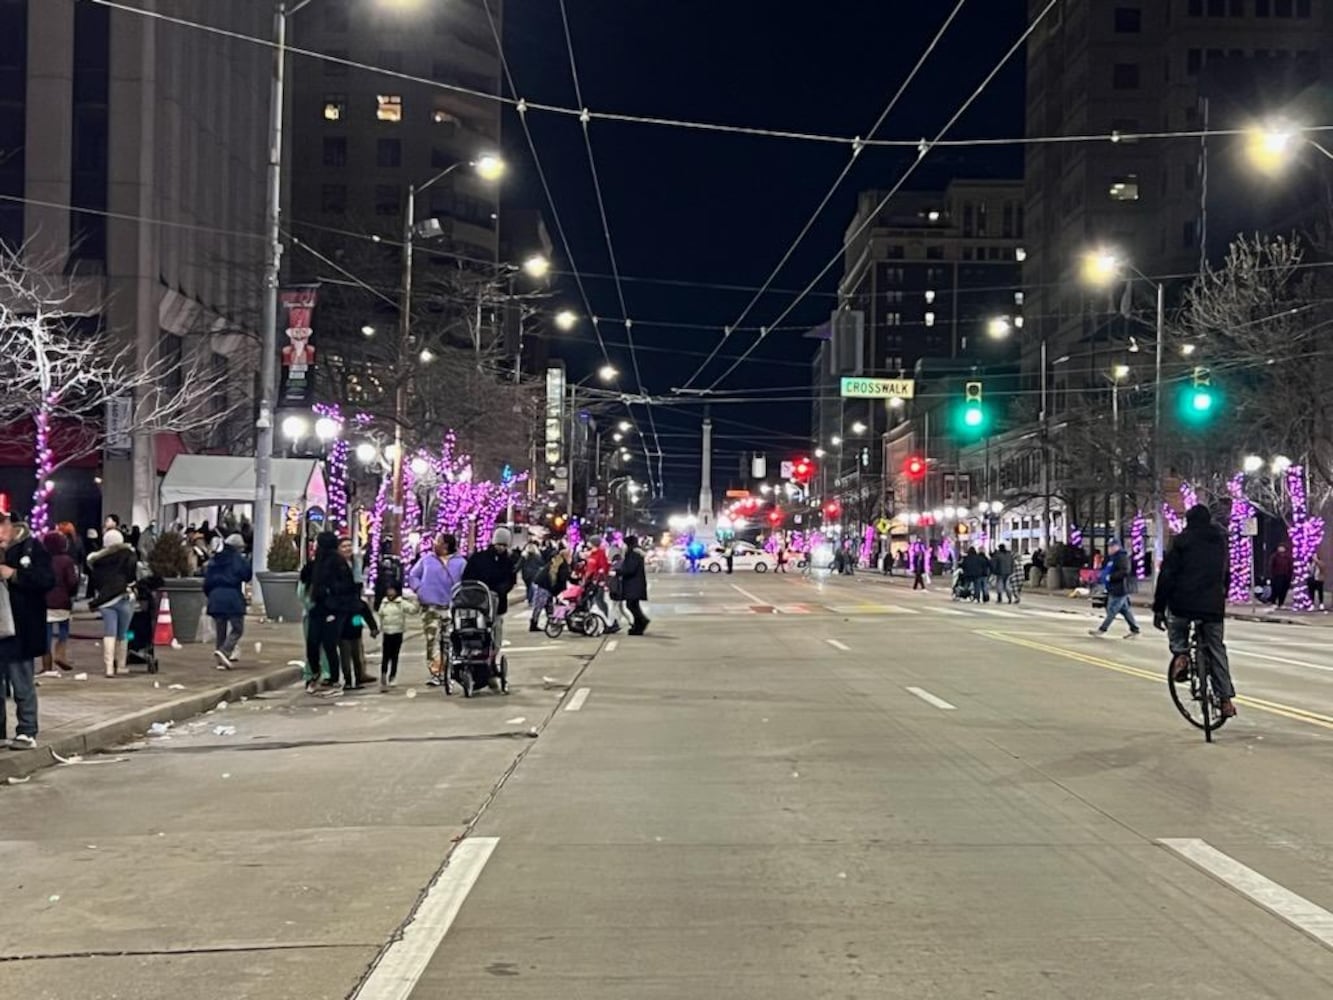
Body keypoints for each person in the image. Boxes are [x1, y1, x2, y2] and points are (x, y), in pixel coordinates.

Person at [1153, 503, 1236, 718]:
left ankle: (1181, 655)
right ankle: (1226, 700)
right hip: (1212, 605)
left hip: (1183, 602)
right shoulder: (1219, 542)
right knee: (1217, 650)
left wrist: (1159, 608)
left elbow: (1167, 576)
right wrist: (1221, 594)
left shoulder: (1181, 541)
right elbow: (1226, 573)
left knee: (1176, 623)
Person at [0, 515, 55, 750]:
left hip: (20, 629)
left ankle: (27, 730)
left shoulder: (32, 548)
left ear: (10, 526)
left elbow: (47, 580)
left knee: (21, 681)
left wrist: (14, 575)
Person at [407, 533, 466, 685]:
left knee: (449, 640)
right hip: (430, 606)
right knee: (431, 640)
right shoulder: (427, 560)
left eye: (438, 541)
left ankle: (447, 670)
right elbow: (413, 575)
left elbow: (465, 582)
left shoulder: (460, 563)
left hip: (451, 606)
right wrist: (419, 589)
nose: (434, 543)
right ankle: (435, 672)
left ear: (446, 545)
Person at [462, 528, 518, 685]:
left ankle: (491, 661)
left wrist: (502, 589)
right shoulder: (479, 558)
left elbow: (511, 580)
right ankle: (476, 665)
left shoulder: (508, 562)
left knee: (495, 636)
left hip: (497, 605)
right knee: (477, 635)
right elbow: (467, 578)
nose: (501, 548)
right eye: (499, 544)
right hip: (478, 604)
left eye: (504, 545)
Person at [310, 535, 363, 691]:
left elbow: (346, 586)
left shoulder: (338, 563)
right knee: (317, 643)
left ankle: (337, 676)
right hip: (321, 607)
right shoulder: (318, 562)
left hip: (336, 609)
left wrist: (330, 595)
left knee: (332, 644)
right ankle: (318, 672)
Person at [87, 528, 139, 678]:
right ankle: (121, 665)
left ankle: (108, 667)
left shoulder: (97, 561)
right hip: (124, 597)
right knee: (124, 633)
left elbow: (95, 582)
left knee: (109, 631)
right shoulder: (129, 555)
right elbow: (131, 576)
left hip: (105, 600)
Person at [204, 533, 252, 669]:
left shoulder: (215, 559)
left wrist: (211, 595)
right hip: (232, 596)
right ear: (238, 548)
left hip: (215, 596)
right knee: (238, 628)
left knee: (221, 628)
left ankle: (221, 661)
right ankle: (224, 651)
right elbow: (247, 575)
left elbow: (207, 582)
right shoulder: (237, 559)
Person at [41, 530, 80, 675]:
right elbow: (72, 582)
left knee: (46, 633)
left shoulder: (42, 559)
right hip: (62, 601)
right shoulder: (66, 560)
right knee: (64, 628)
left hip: (44, 602)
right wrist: (71, 594)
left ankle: (46, 666)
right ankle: (60, 654)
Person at [1089, 539, 1141, 639]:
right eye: (1109, 546)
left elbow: (1124, 571)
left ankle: (1102, 629)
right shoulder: (1113, 558)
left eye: (1111, 546)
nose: (1109, 549)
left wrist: (1111, 577)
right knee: (1125, 610)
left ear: (1117, 546)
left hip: (1120, 588)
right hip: (1113, 587)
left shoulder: (1121, 557)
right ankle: (1135, 630)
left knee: (1112, 610)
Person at [377, 583, 413, 690]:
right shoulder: (384, 603)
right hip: (387, 633)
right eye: (388, 590)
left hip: (398, 632)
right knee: (385, 656)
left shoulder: (401, 603)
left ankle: (392, 676)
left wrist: (416, 602)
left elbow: (412, 609)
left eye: (392, 590)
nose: (390, 593)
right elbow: (380, 615)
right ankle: (383, 674)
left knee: (394, 656)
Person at [531, 546, 571, 631]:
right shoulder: (562, 564)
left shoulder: (557, 561)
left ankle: (548, 623)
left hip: (543, 584)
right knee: (540, 605)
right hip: (544, 585)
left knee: (547, 605)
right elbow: (562, 578)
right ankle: (534, 624)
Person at [582, 535, 617, 632]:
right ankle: (592, 621)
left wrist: (601, 580)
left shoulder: (600, 553)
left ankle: (607, 622)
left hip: (597, 581)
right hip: (589, 581)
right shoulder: (591, 554)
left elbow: (604, 567)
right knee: (591, 601)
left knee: (599, 600)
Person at [619, 534, 651, 635]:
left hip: (633, 584)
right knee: (633, 605)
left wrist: (618, 571)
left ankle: (642, 621)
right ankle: (638, 625)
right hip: (636, 583)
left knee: (631, 605)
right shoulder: (636, 552)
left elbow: (630, 569)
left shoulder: (633, 553)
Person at [1270, 543, 1293, 609]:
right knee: (1276, 589)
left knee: (1284, 590)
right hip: (1277, 575)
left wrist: (1290, 575)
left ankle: (1281, 603)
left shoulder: (1288, 557)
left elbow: (1290, 566)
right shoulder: (1274, 556)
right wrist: (1272, 574)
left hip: (1286, 576)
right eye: (1280, 547)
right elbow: (1271, 566)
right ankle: (1273, 602)